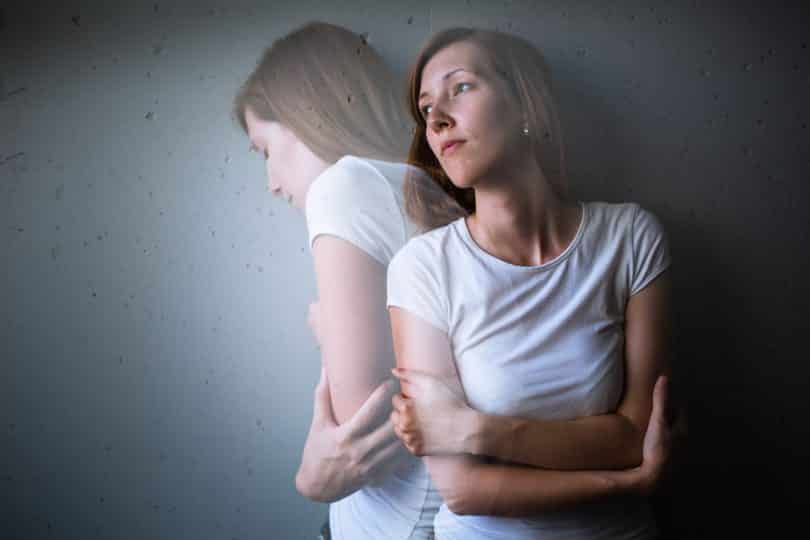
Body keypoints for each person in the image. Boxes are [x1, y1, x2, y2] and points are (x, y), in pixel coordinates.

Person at [386, 27, 677, 539]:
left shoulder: (630, 238)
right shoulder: (422, 268)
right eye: (426, 107)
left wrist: (477, 430)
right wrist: (629, 483)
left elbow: (635, 436)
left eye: (461, 87)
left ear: (525, 106)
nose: (436, 118)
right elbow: (464, 489)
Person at [232, 22, 444, 540]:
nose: (272, 184)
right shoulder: (423, 186)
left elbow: (360, 429)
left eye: (264, 150)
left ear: (305, 116)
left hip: (392, 523)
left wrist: (330, 329)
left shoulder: (342, 186)